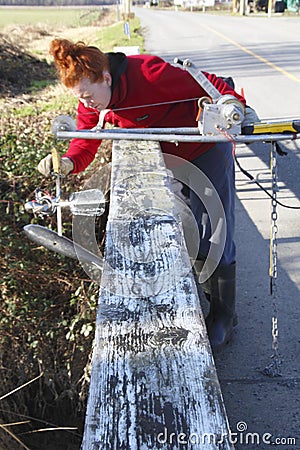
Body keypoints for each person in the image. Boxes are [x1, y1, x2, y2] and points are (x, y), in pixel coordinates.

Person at [38, 38, 255, 351]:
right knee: (189, 229)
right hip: (170, 159)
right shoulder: (92, 101)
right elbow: (84, 142)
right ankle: (206, 299)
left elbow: (215, 85)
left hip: (203, 147)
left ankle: (224, 317)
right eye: (80, 99)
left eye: (88, 96)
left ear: (106, 78)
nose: (86, 105)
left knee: (214, 231)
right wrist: (68, 163)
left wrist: (231, 104)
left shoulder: (150, 73)